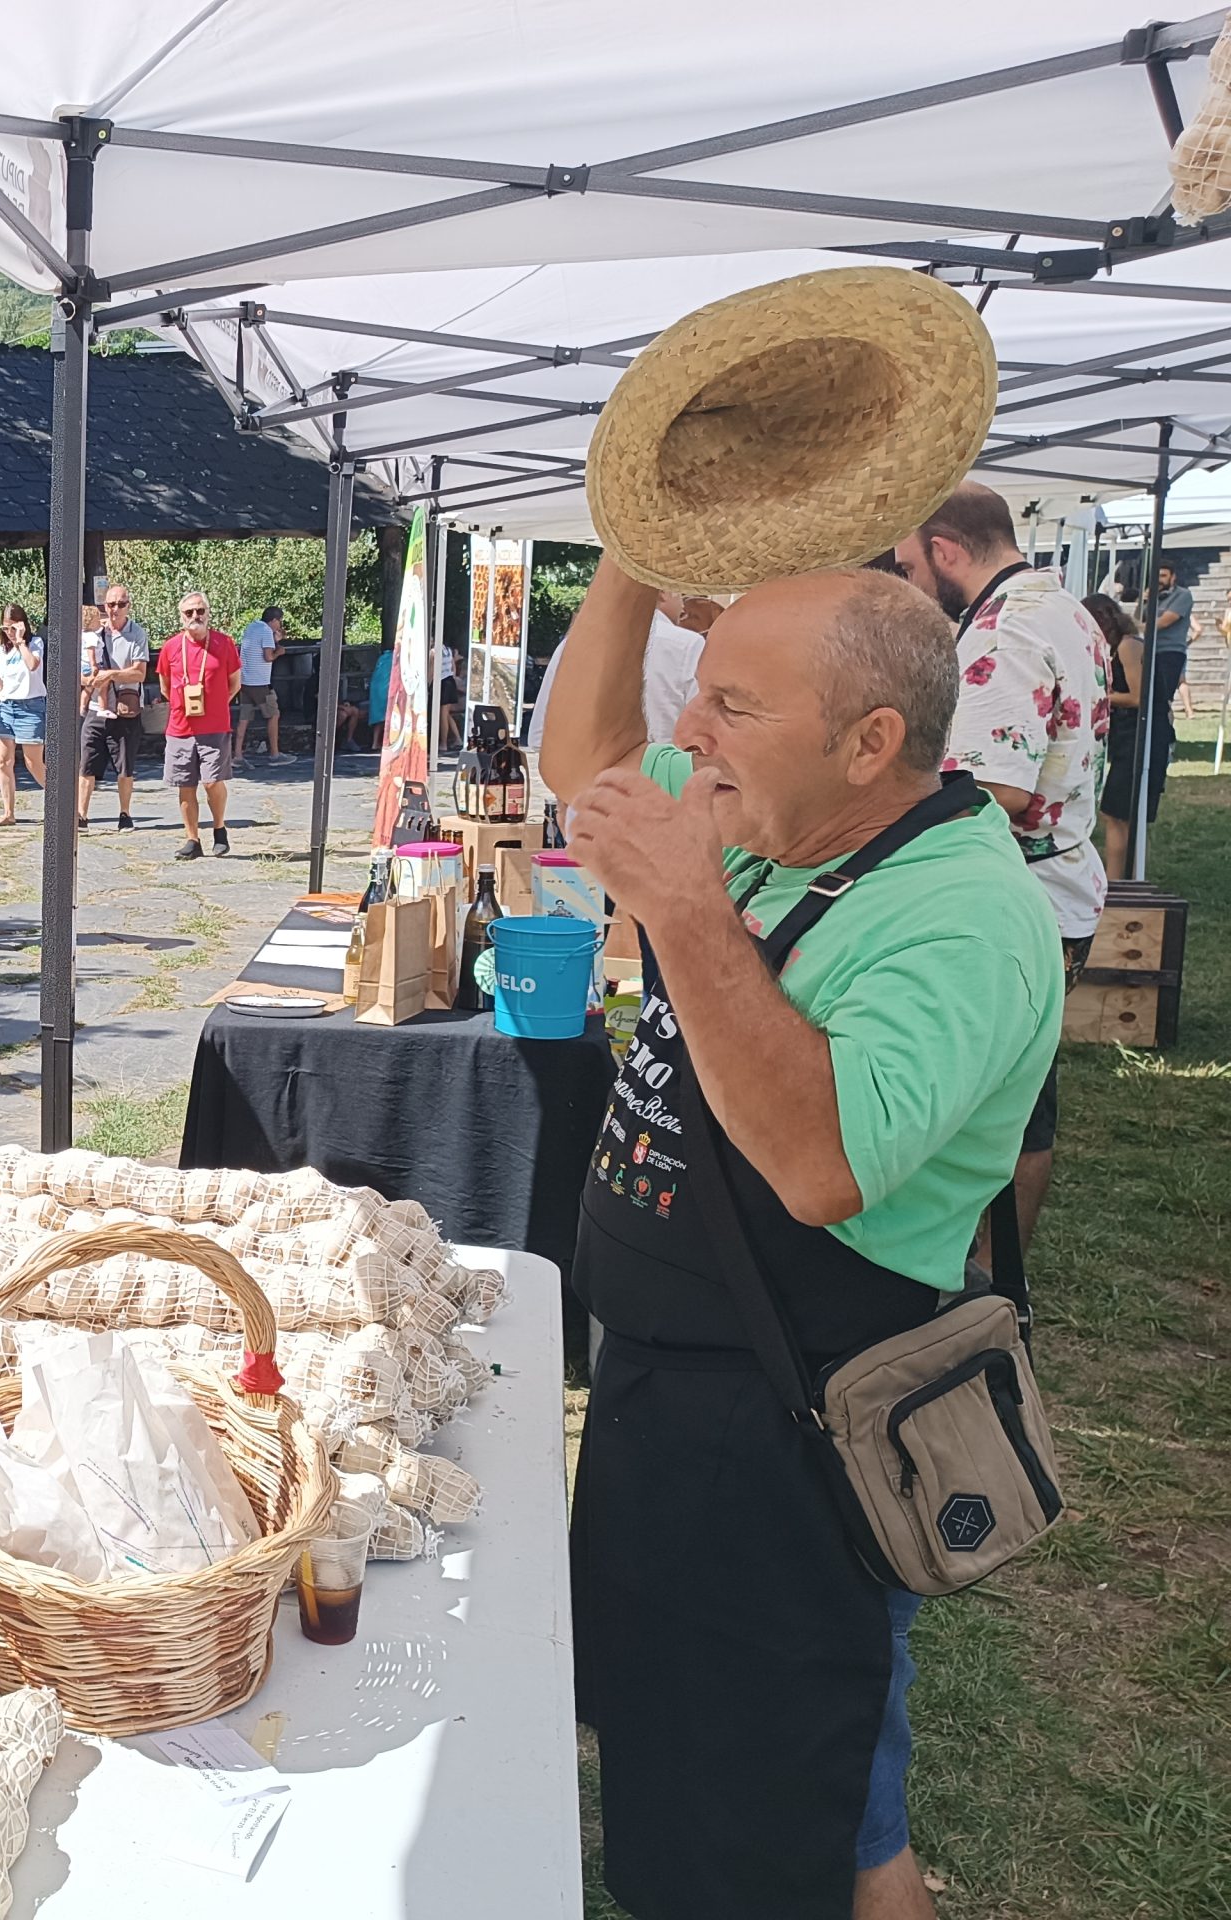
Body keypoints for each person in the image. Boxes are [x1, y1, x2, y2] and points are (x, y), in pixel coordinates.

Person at [543, 558, 1060, 1920]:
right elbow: (585, 763)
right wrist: (630, 572)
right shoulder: (782, 814)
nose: (692, 734)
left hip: (798, 1448)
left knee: (777, 1817)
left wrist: (690, 910)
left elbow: (822, 1165)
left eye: (733, 705)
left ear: (870, 742)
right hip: (686, 1409)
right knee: (778, 1795)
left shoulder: (966, 915)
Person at [894, 482, 1108, 1249]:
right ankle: (996, 1274)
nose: (916, 589)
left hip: (1009, 901)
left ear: (946, 551)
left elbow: (996, 788)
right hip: (1058, 890)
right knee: (1021, 1099)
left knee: (995, 1108)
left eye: (913, 570)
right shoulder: (1065, 608)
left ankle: (982, 1275)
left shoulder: (1002, 633)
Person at [526, 590, 707, 750]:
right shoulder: (688, 646)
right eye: (679, 594)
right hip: (662, 781)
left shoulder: (573, 644)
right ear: (662, 593)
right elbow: (702, 732)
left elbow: (539, 736)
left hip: (584, 782)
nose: (683, 605)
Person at [158, 590, 241, 859]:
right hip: (181, 727)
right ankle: (192, 839)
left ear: (208, 613)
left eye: (200, 611)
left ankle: (219, 829)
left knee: (212, 781)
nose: (195, 616)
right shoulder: (171, 647)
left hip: (214, 726)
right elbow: (165, 687)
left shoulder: (224, 643)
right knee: (185, 784)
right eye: (189, 612)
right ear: (181, 617)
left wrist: (215, 704)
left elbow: (234, 684)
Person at [1088, 592, 1151, 879]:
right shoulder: (1120, 648)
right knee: (1119, 814)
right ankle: (1124, 876)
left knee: (1115, 813)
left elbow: (1139, 697)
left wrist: (1101, 696)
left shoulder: (1128, 647)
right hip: (1126, 736)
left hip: (1140, 737)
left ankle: (1116, 881)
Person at [78, 582, 150, 830]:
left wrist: (109, 676)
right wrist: (90, 680)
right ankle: (81, 815)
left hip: (123, 709)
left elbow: (139, 673)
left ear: (128, 606)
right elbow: (81, 673)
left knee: (125, 766)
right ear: (104, 607)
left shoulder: (137, 634)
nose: (115, 609)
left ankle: (125, 813)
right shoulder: (94, 635)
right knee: (86, 762)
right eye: (110, 604)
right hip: (97, 711)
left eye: (120, 604)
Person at [1138, 560, 1191, 827]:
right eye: (1156, 575)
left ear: (1173, 576)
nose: (1159, 579)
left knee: (1160, 703)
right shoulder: (1151, 597)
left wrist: (1134, 626)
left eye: (1164, 575)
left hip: (1169, 654)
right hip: (1150, 653)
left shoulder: (1183, 596)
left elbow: (1163, 623)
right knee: (1150, 703)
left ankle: (1164, 745)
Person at [0, 601, 47, 823]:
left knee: (34, 762)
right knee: (4, 761)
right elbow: (0, 685)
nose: (10, 633)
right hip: (6, 706)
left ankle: (61, 802)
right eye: (6, 628)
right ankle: (8, 812)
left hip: (30, 706)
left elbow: (33, 665)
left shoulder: (35, 643)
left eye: (13, 627)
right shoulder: (2, 650)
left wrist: (21, 641)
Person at [233, 604, 291, 763]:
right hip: (260, 682)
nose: (280, 625)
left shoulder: (252, 627)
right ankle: (275, 753)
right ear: (274, 620)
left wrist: (275, 640)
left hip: (245, 680)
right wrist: (279, 651)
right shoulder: (266, 631)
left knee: (244, 717)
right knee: (274, 714)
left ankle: (237, 754)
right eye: (280, 621)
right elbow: (268, 657)